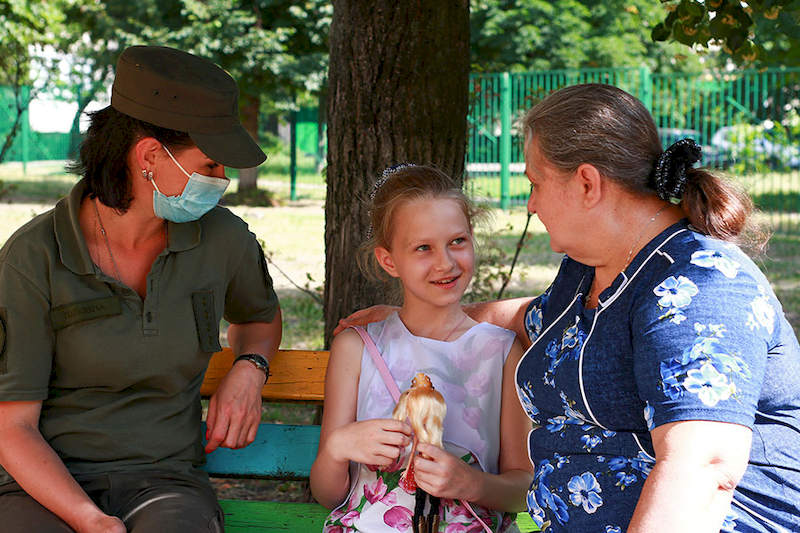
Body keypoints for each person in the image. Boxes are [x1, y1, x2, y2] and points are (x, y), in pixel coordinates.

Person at [336, 84, 800, 532]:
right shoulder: (587, 270)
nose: (531, 204)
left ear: (586, 183)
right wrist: (424, 315)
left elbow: (703, 468)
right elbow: (531, 319)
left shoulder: (699, 286)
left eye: (536, 183)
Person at [0, 45, 282, 533]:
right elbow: (12, 427)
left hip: (165, 482)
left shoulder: (222, 238)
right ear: (150, 155)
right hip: (40, 485)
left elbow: (258, 317)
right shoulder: (33, 256)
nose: (224, 182)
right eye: (212, 164)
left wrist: (250, 368)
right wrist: (89, 519)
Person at [310, 165, 533, 532]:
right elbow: (328, 494)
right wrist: (338, 447)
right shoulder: (357, 349)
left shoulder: (502, 354)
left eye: (457, 241)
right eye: (423, 248)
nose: (445, 262)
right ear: (389, 261)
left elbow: (522, 488)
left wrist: (471, 482)